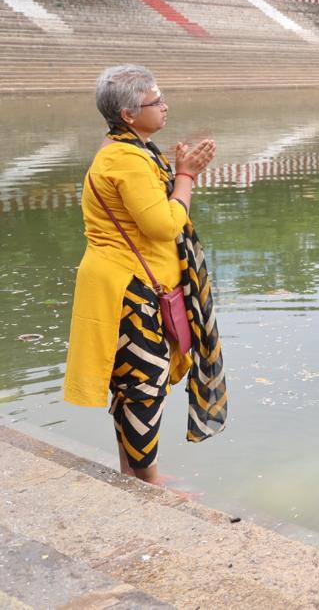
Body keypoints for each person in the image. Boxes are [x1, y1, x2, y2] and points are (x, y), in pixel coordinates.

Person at [63, 65, 227, 485]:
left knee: (135, 386)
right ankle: (148, 483)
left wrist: (179, 172)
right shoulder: (127, 160)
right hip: (129, 289)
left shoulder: (130, 150)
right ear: (128, 114)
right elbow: (163, 226)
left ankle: (131, 475)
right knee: (143, 387)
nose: (165, 106)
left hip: (131, 281)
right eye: (156, 101)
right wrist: (186, 177)